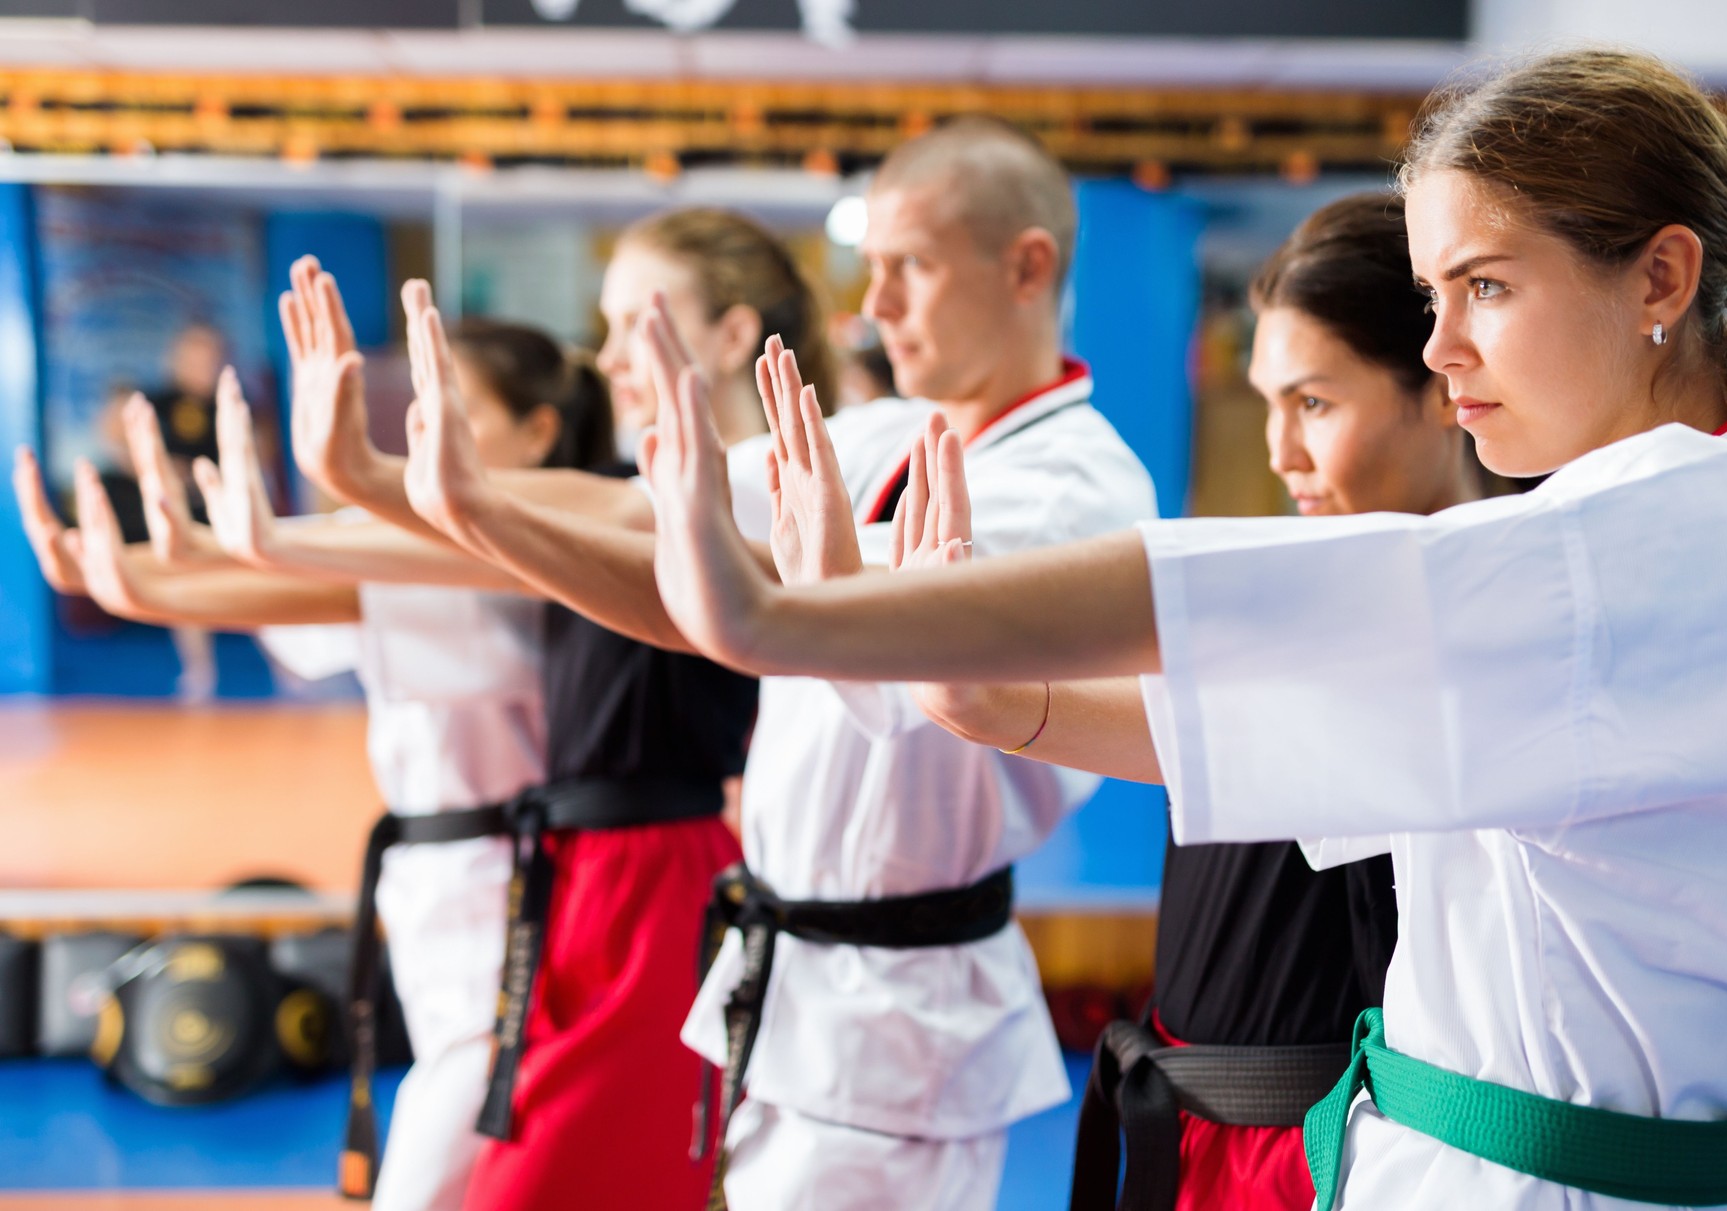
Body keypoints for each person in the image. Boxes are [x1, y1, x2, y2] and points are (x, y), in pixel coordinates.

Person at [635, 48, 1727, 1210]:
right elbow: (1294, 709)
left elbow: (1255, 603)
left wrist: (815, 616)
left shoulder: (1671, 526)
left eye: (1486, 285)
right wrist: (990, 697)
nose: (1444, 347)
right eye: (1433, 294)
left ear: (1661, 277)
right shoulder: (1674, 515)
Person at [396, 119, 1159, 1209]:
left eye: (911, 267)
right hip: (791, 990)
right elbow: (640, 515)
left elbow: (800, 627)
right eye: (872, 268)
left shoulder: (1071, 487)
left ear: (1027, 267)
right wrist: (410, 489)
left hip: (896, 1025)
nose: (876, 303)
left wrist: (479, 511)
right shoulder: (885, 432)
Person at [874, 192, 1484, 1211]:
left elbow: (1154, 711)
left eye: (1315, 404)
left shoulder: (1467, 615)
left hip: (1325, 1152)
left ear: (1441, 390)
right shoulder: (1299, 584)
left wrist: (976, 680)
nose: (1280, 450)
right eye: (1268, 402)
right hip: (1200, 1136)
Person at [271, 209, 824, 1210]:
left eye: (632, 324)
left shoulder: (762, 487)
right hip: (583, 869)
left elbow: (570, 518)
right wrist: (261, 539)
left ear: (735, 333)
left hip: (662, 870)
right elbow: (493, 535)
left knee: (546, 1175)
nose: (606, 358)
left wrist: (352, 488)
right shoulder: (634, 486)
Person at [13, 314, 616, 1211]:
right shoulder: (418, 539)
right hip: (435, 885)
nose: (426, 429)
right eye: (421, 407)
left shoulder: (528, 559)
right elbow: (306, 582)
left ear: (538, 431)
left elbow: (327, 583)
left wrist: (141, 578)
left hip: (514, 894)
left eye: (458, 410)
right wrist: (133, 570)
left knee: (446, 1152)